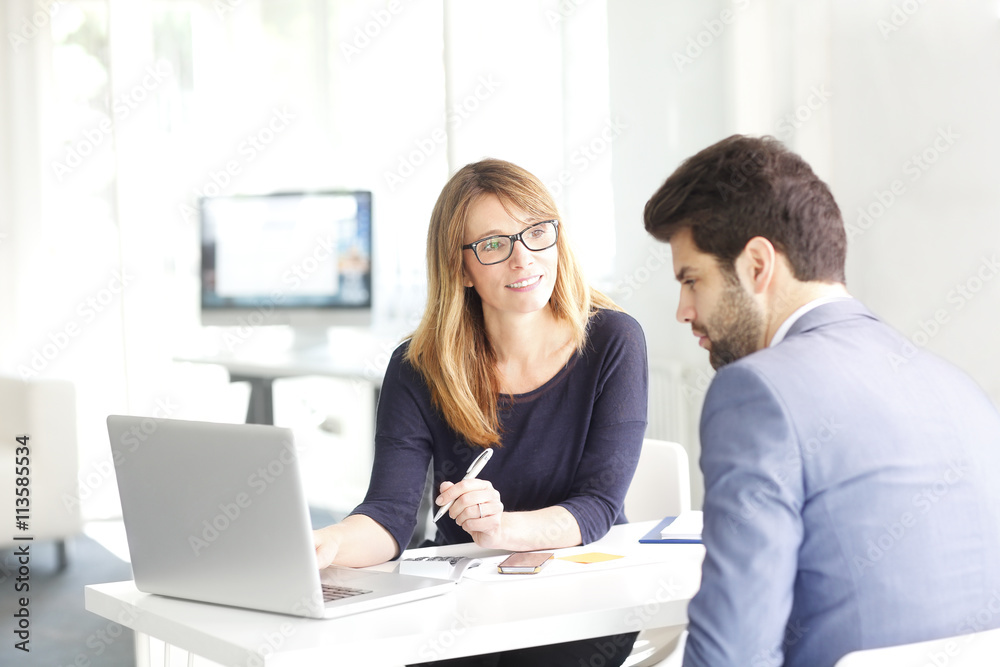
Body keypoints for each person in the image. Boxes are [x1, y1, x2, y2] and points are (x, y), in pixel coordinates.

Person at [643, 134, 1000, 667]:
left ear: (757, 265)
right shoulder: (960, 388)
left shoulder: (755, 392)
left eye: (692, 280)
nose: (683, 309)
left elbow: (732, 655)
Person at [314, 158, 648, 666]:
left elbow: (598, 506)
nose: (523, 259)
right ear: (460, 268)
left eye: (536, 232)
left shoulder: (613, 340)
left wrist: (502, 528)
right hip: (463, 589)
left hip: (578, 586)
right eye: (493, 245)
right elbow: (389, 517)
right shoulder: (418, 366)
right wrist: (327, 542)